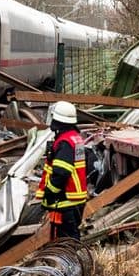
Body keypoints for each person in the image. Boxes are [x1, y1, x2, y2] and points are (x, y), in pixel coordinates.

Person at [37, 101, 89, 240]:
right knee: (70, 237)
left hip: (65, 200)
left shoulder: (65, 142)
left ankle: (71, 262)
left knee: (66, 240)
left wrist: (49, 192)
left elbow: (61, 172)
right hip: (75, 198)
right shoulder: (75, 138)